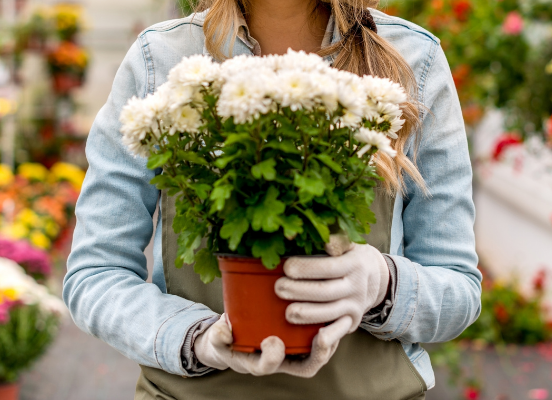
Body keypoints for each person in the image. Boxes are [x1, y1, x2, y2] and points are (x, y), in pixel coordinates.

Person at [63, 1, 482, 399]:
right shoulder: (161, 58)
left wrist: (382, 284)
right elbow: (96, 273)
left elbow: (458, 288)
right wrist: (195, 338)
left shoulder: (414, 59)